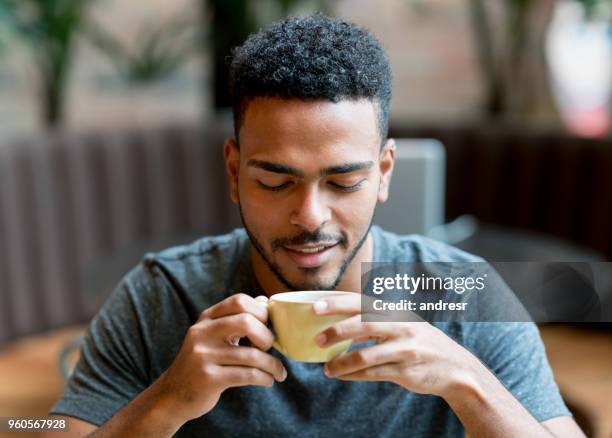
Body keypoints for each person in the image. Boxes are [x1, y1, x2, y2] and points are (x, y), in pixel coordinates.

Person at [44, 14, 584, 437]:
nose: (310, 216)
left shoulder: (466, 294)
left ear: (384, 172)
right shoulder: (160, 295)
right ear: (234, 172)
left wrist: (468, 384)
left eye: (344, 182)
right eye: (276, 182)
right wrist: (165, 402)